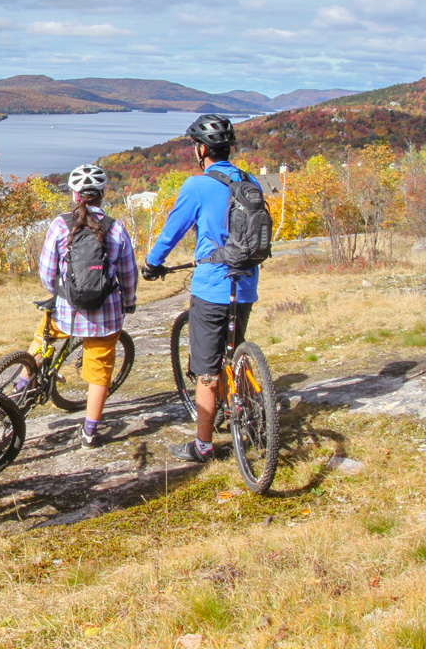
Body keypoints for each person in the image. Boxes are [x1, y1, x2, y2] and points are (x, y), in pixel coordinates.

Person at [140, 114, 259, 464]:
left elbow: (172, 231)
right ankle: (250, 405)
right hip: (246, 285)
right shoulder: (249, 180)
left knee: (207, 370)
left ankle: (203, 445)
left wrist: (152, 264)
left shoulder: (197, 185)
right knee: (234, 352)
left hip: (212, 288)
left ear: (201, 149)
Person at [35, 164, 138, 450]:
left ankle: (21, 383)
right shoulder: (116, 228)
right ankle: (89, 433)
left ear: (75, 194)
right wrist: (128, 303)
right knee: (99, 372)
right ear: (102, 194)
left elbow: (46, 274)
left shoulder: (60, 224)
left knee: (41, 338)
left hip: (66, 312)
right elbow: (128, 275)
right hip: (105, 317)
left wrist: (61, 293)